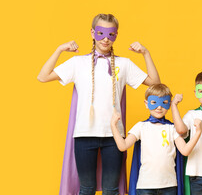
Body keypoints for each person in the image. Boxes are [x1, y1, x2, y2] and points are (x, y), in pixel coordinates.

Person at [37, 13, 160, 195]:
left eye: (110, 34)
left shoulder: (123, 64)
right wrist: (59, 49)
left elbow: (155, 83)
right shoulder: (79, 63)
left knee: (111, 190)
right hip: (84, 134)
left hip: (114, 136)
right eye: (101, 33)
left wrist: (146, 53)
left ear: (116, 35)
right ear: (93, 32)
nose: (105, 39)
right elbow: (43, 76)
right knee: (86, 188)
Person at [111, 83, 202, 195]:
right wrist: (113, 126)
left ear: (169, 104)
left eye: (164, 103)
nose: (159, 107)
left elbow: (185, 150)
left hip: (169, 185)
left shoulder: (172, 128)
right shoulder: (141, 126)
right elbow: (123, 146)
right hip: (145, 186)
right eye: (154, 102)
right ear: (146, 103)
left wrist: (198, 132)